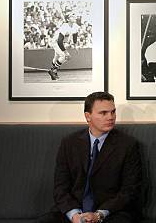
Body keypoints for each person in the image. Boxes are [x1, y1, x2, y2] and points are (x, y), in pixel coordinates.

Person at [38, 92, 142, 223]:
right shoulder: (69, 143)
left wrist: (99, 214)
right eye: (103, 113)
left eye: (113, 112)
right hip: (74, 210)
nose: (111, 117)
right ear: (88, 116)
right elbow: (60, 188)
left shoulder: (127, 145)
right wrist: (74, 215)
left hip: (111, 212)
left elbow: (129, 190)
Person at [48, 12, 80, 81]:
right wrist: (66, 52)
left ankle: (53, 71)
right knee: (63, 56)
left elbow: (75, 36)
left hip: (62, 42)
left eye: (74, 15)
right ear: (68, 19)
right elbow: (59, 41)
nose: (74, 17)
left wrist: (75, 45)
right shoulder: (64, 26)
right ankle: (53, 71)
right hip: (55, 42)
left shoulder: (75, 26)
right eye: (72, 16)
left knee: (57, 57)